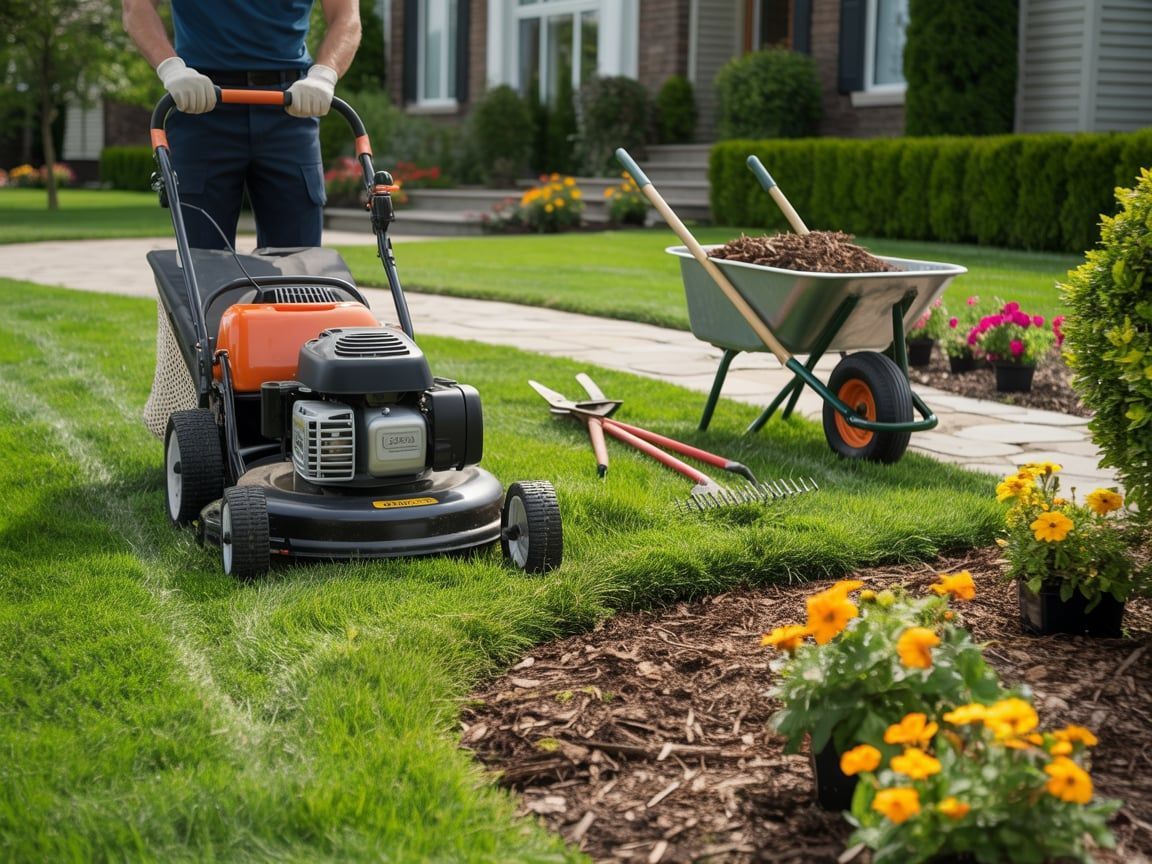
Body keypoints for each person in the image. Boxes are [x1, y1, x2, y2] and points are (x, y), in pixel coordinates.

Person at [123, 0, 362, 250]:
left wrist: (324, 75)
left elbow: (346, 16)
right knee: (203, 263)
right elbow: (136, 7)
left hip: (290, 108)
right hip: (200, 103)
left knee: (298, 264)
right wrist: (171, 68)